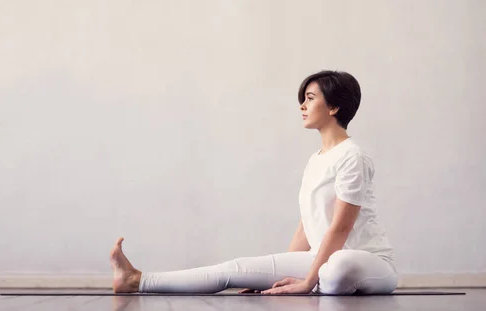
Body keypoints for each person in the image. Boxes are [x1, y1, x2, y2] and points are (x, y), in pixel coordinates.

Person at [109, 70, 398, 295]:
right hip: (323, 259)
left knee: (338, 269)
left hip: (366, 262)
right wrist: (272, 278)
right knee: (234, 270)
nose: (302, 105)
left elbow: (341, 227)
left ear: (334, 107)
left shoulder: (352, 156)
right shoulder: (317, 158)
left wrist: (307, 281)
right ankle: (137, 280)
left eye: (310, 98)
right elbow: (307, 225)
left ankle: (321, 281)